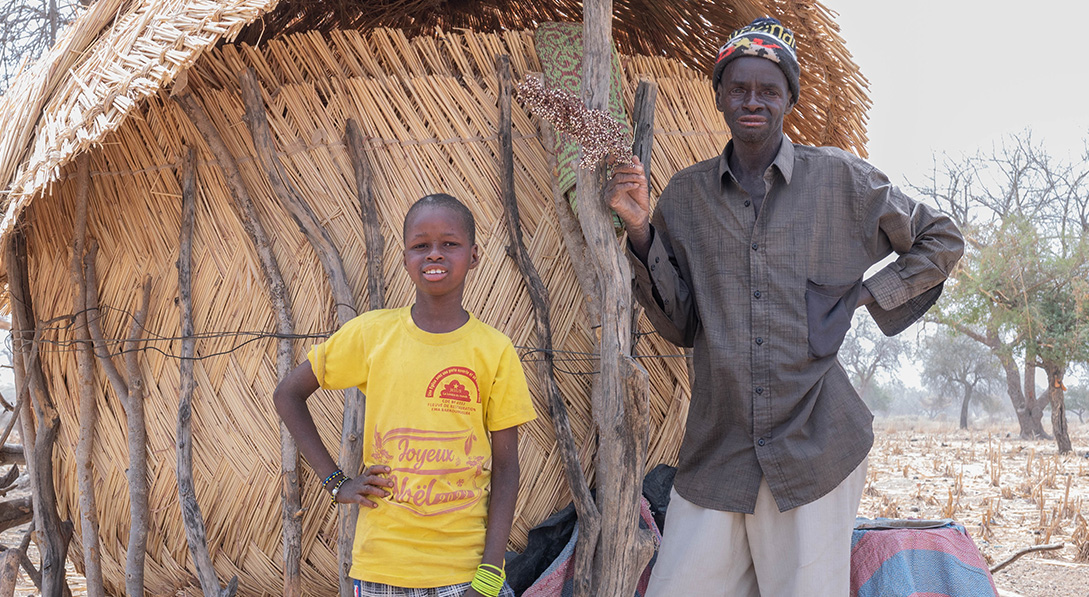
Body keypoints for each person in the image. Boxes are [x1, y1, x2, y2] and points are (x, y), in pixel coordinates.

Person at [606, 17, 964, 597]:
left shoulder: (842, 181)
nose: (753, 101)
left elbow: (941, 239)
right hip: (717, 451)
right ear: (719, 95)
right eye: (739, 88)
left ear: (789, 99)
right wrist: (642, 230)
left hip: (815, 448)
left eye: (769, 90)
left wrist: (864, 295)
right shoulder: (686, 197)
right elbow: (680, 325)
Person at [274, 193, 536, 597]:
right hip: (383, 569)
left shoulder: (495, 351)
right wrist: (336, 482)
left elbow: (506, 469)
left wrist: (488, 576)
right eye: (420, 245)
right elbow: (288, 394)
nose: (434, 255)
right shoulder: (371, 335)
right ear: (404, 258)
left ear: (475, 255)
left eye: (449, 244)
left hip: (464, 570)